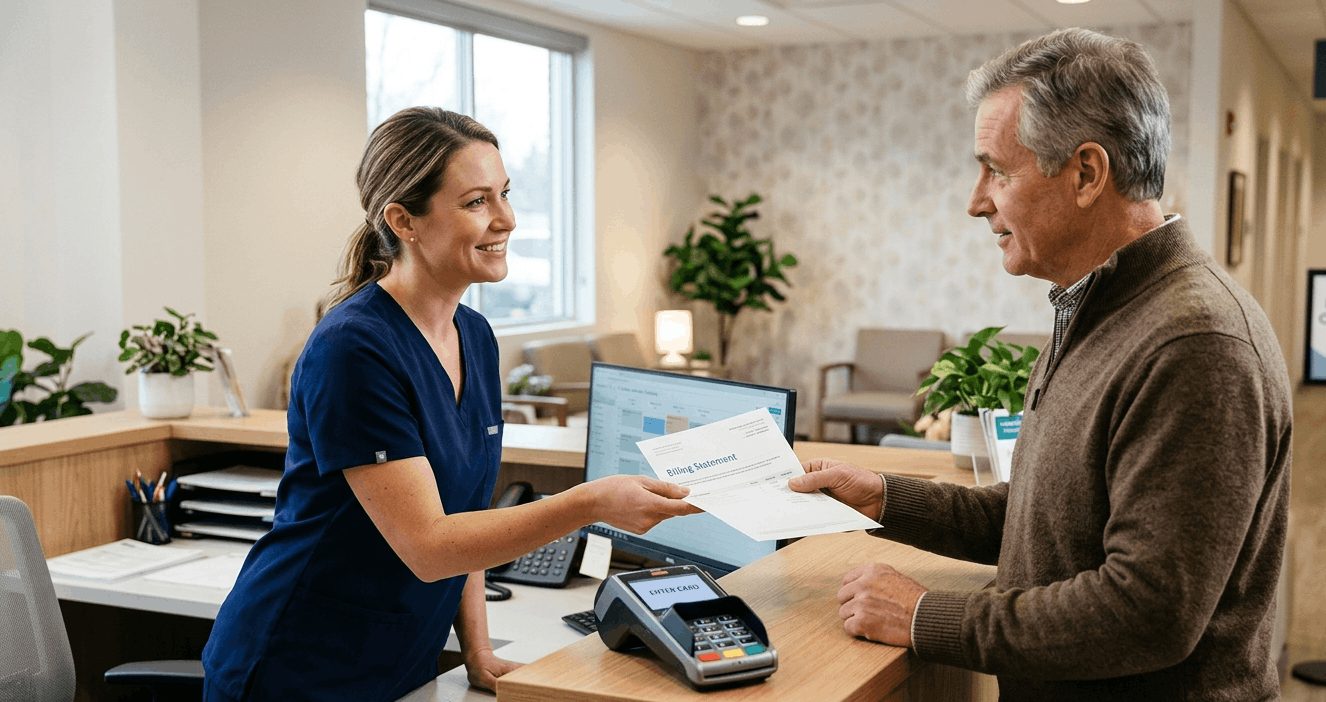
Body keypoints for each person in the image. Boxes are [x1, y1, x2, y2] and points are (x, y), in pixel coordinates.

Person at [790, 28, 1292, 700]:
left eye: (997, 170)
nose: (976, 201)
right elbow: (1047, 524)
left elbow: (1147, 613)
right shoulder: (1095, 306)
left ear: (1086, 174)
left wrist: (923, 616)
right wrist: (884, 497)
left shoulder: (1195, 343)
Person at [201, 107, 700, 702]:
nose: (506, 219)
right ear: (403, 221)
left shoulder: (475, 336)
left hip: (399, 661)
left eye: (505, 194)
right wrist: (590, 502)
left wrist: (478, 652)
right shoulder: (354, 348)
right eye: (476, 202)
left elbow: (466, 518)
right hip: (299, 665)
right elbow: (431, 544)